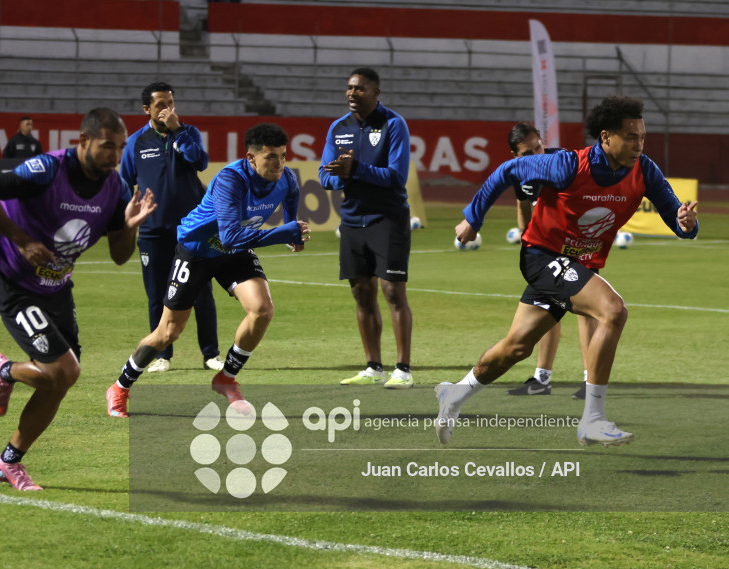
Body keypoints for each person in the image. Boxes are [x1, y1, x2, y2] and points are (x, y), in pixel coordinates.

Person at [435, 96, 698, 447]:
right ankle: (593, 419)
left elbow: (678, 220)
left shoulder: (645, 170)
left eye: (642, 137)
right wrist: (473, 217)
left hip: (576, 265)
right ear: (606, 137)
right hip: (542, 255)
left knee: (516, 348)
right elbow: (507, 172)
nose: (639, 145)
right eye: (631, 136)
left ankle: (454, 394)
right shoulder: (568, 166)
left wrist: (686, 223)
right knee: (613, 310)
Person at [0, 107, 157, 491]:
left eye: (121, 148)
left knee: (58, 381)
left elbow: (120, 255)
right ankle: (4, 371)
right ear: (83, 141)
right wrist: (21, 241)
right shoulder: (47, 169)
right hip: (17, 286)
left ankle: (9, 461)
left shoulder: (116, 187)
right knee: (65, 372)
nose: (115, 157)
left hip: (56, 290)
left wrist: (131, 226)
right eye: (107, 146)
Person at [107, 123, 310, 417]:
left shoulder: (287, 178)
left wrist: (294, 232)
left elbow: (290, 206)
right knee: (168, 332)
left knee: (262, 309)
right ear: (251, 158)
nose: (279, 164)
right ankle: (120, 387)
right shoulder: (231, 179)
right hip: (197, 251)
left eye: (282, 155)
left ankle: (226, 379)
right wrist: (282, 233)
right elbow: (229, 237)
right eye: (270, 158)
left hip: (235, 250)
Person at [319, 67, 414, 389]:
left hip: (387, 218)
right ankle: (373, 367)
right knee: (361, 293)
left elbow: (396, 176)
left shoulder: (393, 124)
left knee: (392, 291)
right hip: (352, 220)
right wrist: (341, 175)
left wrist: (355, 169)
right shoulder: (338, 128)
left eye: (359, 89)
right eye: (349, 88)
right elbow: (324, 176)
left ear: (375, 93)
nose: (351, 93)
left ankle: (403, 369)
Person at [121, 81, 223, 374]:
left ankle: (211, 354)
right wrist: (130, 215)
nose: (167, 110)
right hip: (153, 232)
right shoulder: (135, 143)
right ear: (146, 109)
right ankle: (162, 355)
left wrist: (178, 129)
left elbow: (200, 162)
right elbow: (125, 183)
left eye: (171, 104)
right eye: (160, 105)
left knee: (202, 292)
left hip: (192, 230)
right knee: (157, 294)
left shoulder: (188, 133)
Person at [503, 122, 596, 399]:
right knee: (547, 309)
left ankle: (591, 381)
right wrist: (526, 238)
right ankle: (542, 380)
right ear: (515, 156)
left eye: (539, 147)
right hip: (546, 251)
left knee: (585, 310)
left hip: (577, 245)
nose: (537, 154)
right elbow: (523, 206)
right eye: (528, 152)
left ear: (544, 142)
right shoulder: (520, 174)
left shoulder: (565, 164)